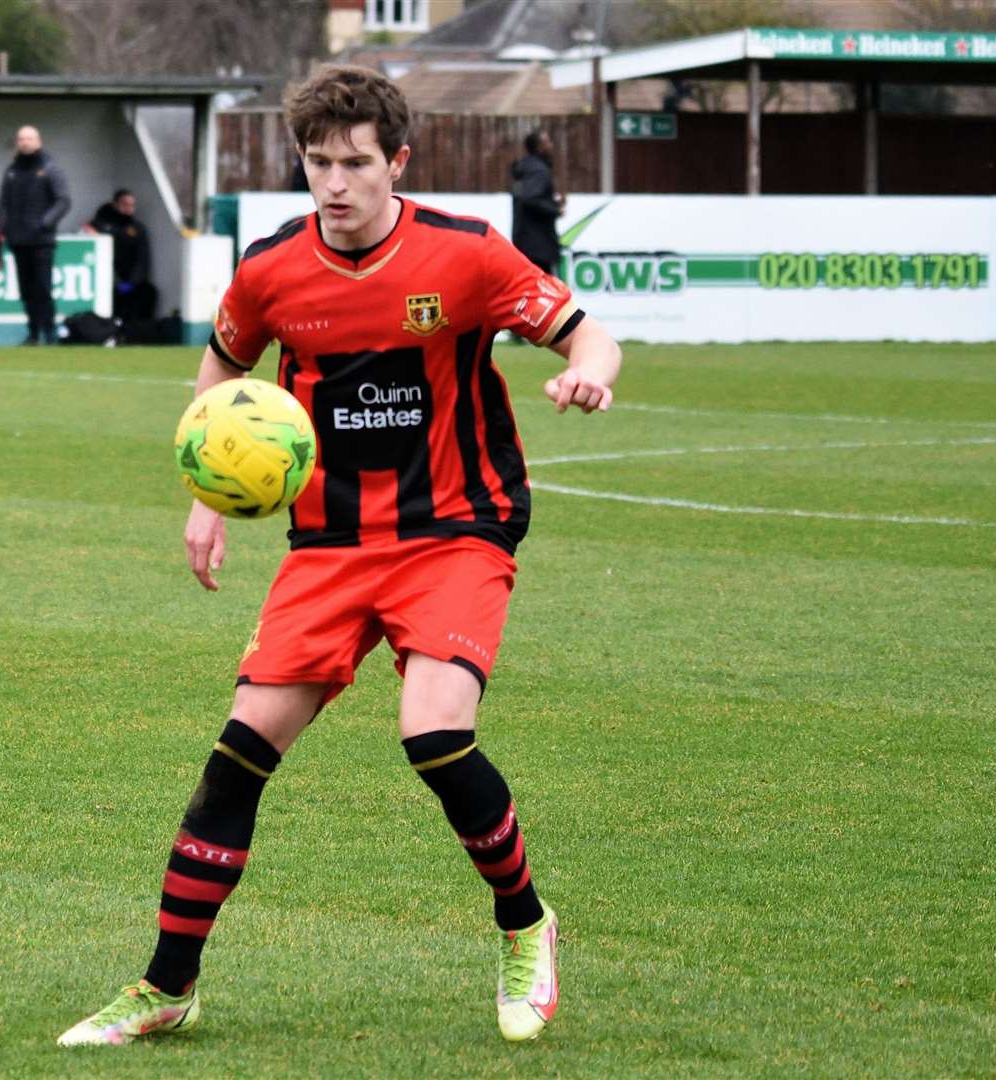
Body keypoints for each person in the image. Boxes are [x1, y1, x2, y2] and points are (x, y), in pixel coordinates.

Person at [57, 65, 621, 1050]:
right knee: (237, 757)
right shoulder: (273, 271)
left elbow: (587, 334)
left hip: (454, 531)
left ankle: (526, 925)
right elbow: (222, 371)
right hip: (327, 547)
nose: (335, 183)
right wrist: (208, 495)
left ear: (396, 161)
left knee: (433, 733)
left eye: (356, 163)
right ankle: (165, 987)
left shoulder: (466, 257)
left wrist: (587, 375)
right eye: (318, 163)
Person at [0, 124, 71, 345]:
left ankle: (49, 332)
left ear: (38, 141)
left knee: (43, 289)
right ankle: (33, 332)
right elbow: (3, 203)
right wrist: (4, 224)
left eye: (29, 139)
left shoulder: (50, 169)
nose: (24, 143)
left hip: (41, 242)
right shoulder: (11, 171)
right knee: (26, 290)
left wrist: (44, 223)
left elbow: (64, 201)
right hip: (18, 240)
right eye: (21, 139)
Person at [85, 188, 155, 324]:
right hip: (107, 279)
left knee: (148, 293)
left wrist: (132, 282)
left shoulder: (138, 228)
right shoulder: (100, 225)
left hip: (129, 280)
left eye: (131, 205)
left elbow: (142, 259)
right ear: (115, 204)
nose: (129, 208)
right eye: (125, 204)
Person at [510, 130, 564, 275]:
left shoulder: (525, 169)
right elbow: (530, 198)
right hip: (539, 247)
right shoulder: (539, 171)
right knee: (544, 290)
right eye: (548, 142)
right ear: (539, 147)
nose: (551, 145)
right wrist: (555, 209)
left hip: (524, 242)